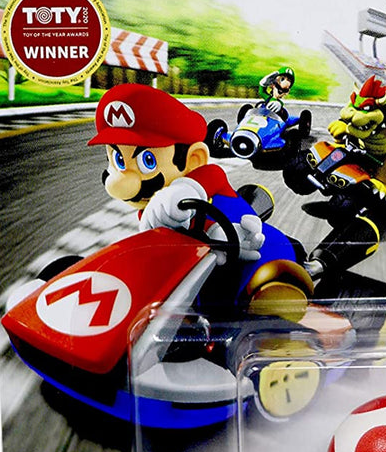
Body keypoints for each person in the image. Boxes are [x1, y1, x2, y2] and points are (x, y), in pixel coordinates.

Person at [89, 83, 313, 318]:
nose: (120, 180)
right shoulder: (151, 211)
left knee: (263, 275)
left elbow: (196, 195)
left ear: (194, 159)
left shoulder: (205, 180)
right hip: (195, 281)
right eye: (118, 161)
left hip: (253, 256)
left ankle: (274, 296)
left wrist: (185, 194)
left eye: (148, 161)